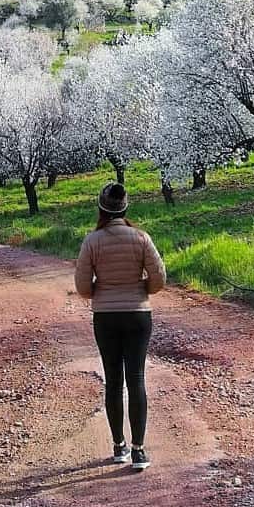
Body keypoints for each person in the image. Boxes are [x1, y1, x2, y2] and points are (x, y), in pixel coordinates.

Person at [74, 182, 166, 470]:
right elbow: (159, 278)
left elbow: (82, 288)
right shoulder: (141, 238)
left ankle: (119, 447)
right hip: (138, 314)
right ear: (125, 208)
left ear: (101, 208)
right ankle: (139, 451)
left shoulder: (92, 241)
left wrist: (102, 290)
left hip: (106, 317)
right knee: (136, 378)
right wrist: (141, 289)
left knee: (113, 381)